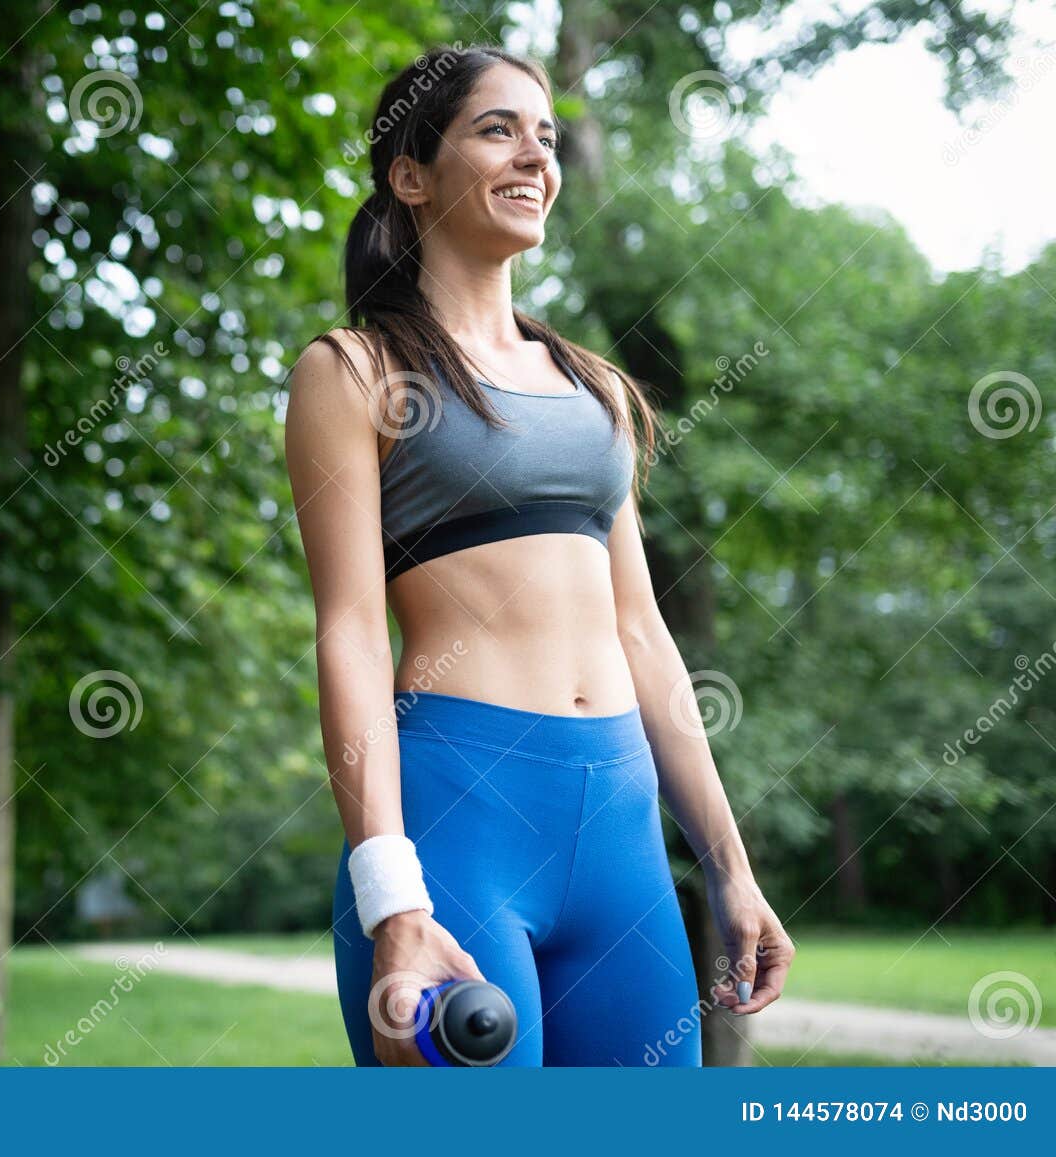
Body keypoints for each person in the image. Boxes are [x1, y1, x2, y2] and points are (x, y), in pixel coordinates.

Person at [282, 44, 793, 1067]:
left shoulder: (593, 385)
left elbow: (640, 629)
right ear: (411, 173)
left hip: (619, 828)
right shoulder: (353, 370)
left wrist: (730, 864)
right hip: (455, 816)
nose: (534, 156)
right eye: (496, 129)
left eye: (546, 136)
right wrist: (393, 895)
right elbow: (347, 632)